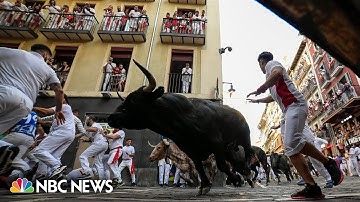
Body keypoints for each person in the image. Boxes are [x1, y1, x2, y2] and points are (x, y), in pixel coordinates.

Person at [247, 52, 343, 199]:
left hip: (295, 105)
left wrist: (261, 88)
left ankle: (329, 163)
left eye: (260, 64)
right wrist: (258, 100)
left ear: (261, 62)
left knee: (292, 144)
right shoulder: (270, 79)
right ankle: (312, 186)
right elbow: (272, 97)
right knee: (290, 149)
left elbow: (278, 72)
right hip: (287, 111)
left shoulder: (271, 65)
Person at [0, 44, 64, 176]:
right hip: (26, 104)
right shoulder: (47, 69)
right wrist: (58, 110)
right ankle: (10, 155)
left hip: (4, 91)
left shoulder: (13, 52)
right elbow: (59, 90)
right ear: (45, 55)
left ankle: (4, 148)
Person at [32, 95, 74, 180]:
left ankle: (56, 167)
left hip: (62, 132)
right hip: (69, 134)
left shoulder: (64, 106)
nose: (57, 99)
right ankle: (49, 175)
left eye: (60, 98)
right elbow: (48, 120)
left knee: (39, 151)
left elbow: (46, 111)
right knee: (53, 156)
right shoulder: (60, 113)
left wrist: (32, 107)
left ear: (65, 100)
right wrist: (42, 121)